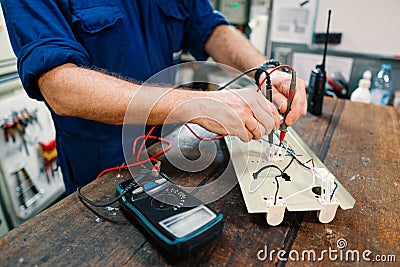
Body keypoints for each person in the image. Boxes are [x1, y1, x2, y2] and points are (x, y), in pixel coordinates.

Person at [1, 0, 307, 195]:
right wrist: (193, 104)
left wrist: (266, 70)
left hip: (169, 152)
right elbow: (58, 84)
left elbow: (207, 27)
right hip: (100, 173)